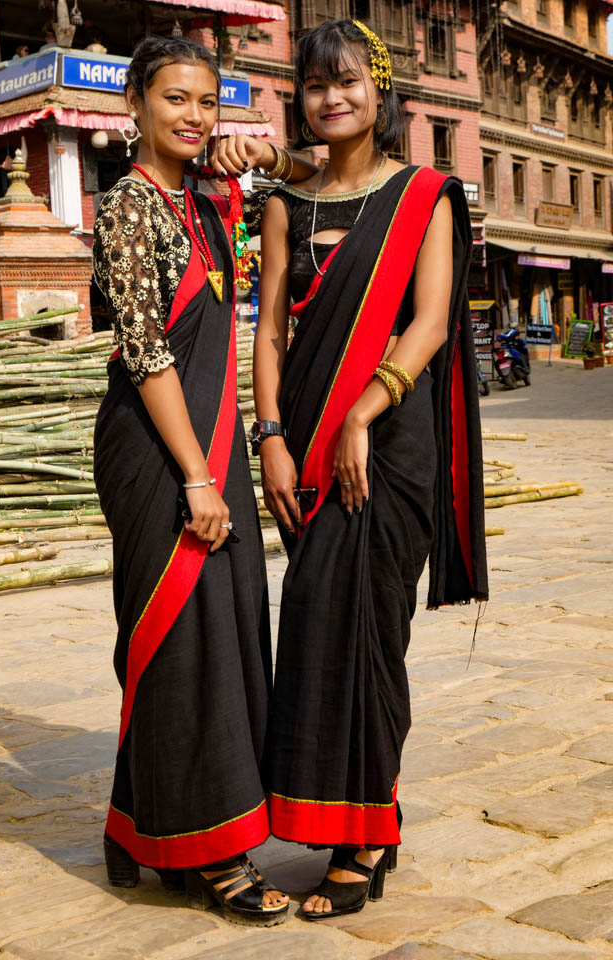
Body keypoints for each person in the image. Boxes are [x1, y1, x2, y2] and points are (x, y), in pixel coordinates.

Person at [254, 19, 488, 920]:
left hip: (389, 444)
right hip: (306, 440)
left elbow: (430, 321)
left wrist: (365, 406)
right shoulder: (288, 203)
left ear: (379, 93)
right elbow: (273, 329)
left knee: (372, 638)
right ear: (301, 97)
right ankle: (332, 816)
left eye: (348, 82)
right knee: (314, 624)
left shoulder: (425, 194)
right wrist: (270, 434)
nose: (332, 98)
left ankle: (368, 836)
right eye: (316, 85)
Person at [92, 35, 317, 927]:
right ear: (136, 106)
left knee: (223, 635)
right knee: (180, 644)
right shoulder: (129, 207)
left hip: (213, 448)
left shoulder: (212, 199)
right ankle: (214, 855)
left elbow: (310, 171)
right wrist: (195, 476)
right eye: (174, 98)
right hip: (162, 455)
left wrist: (261, 147)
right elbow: (144, 351)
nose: (192, 116)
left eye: (206, 102)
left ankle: (152, 833)